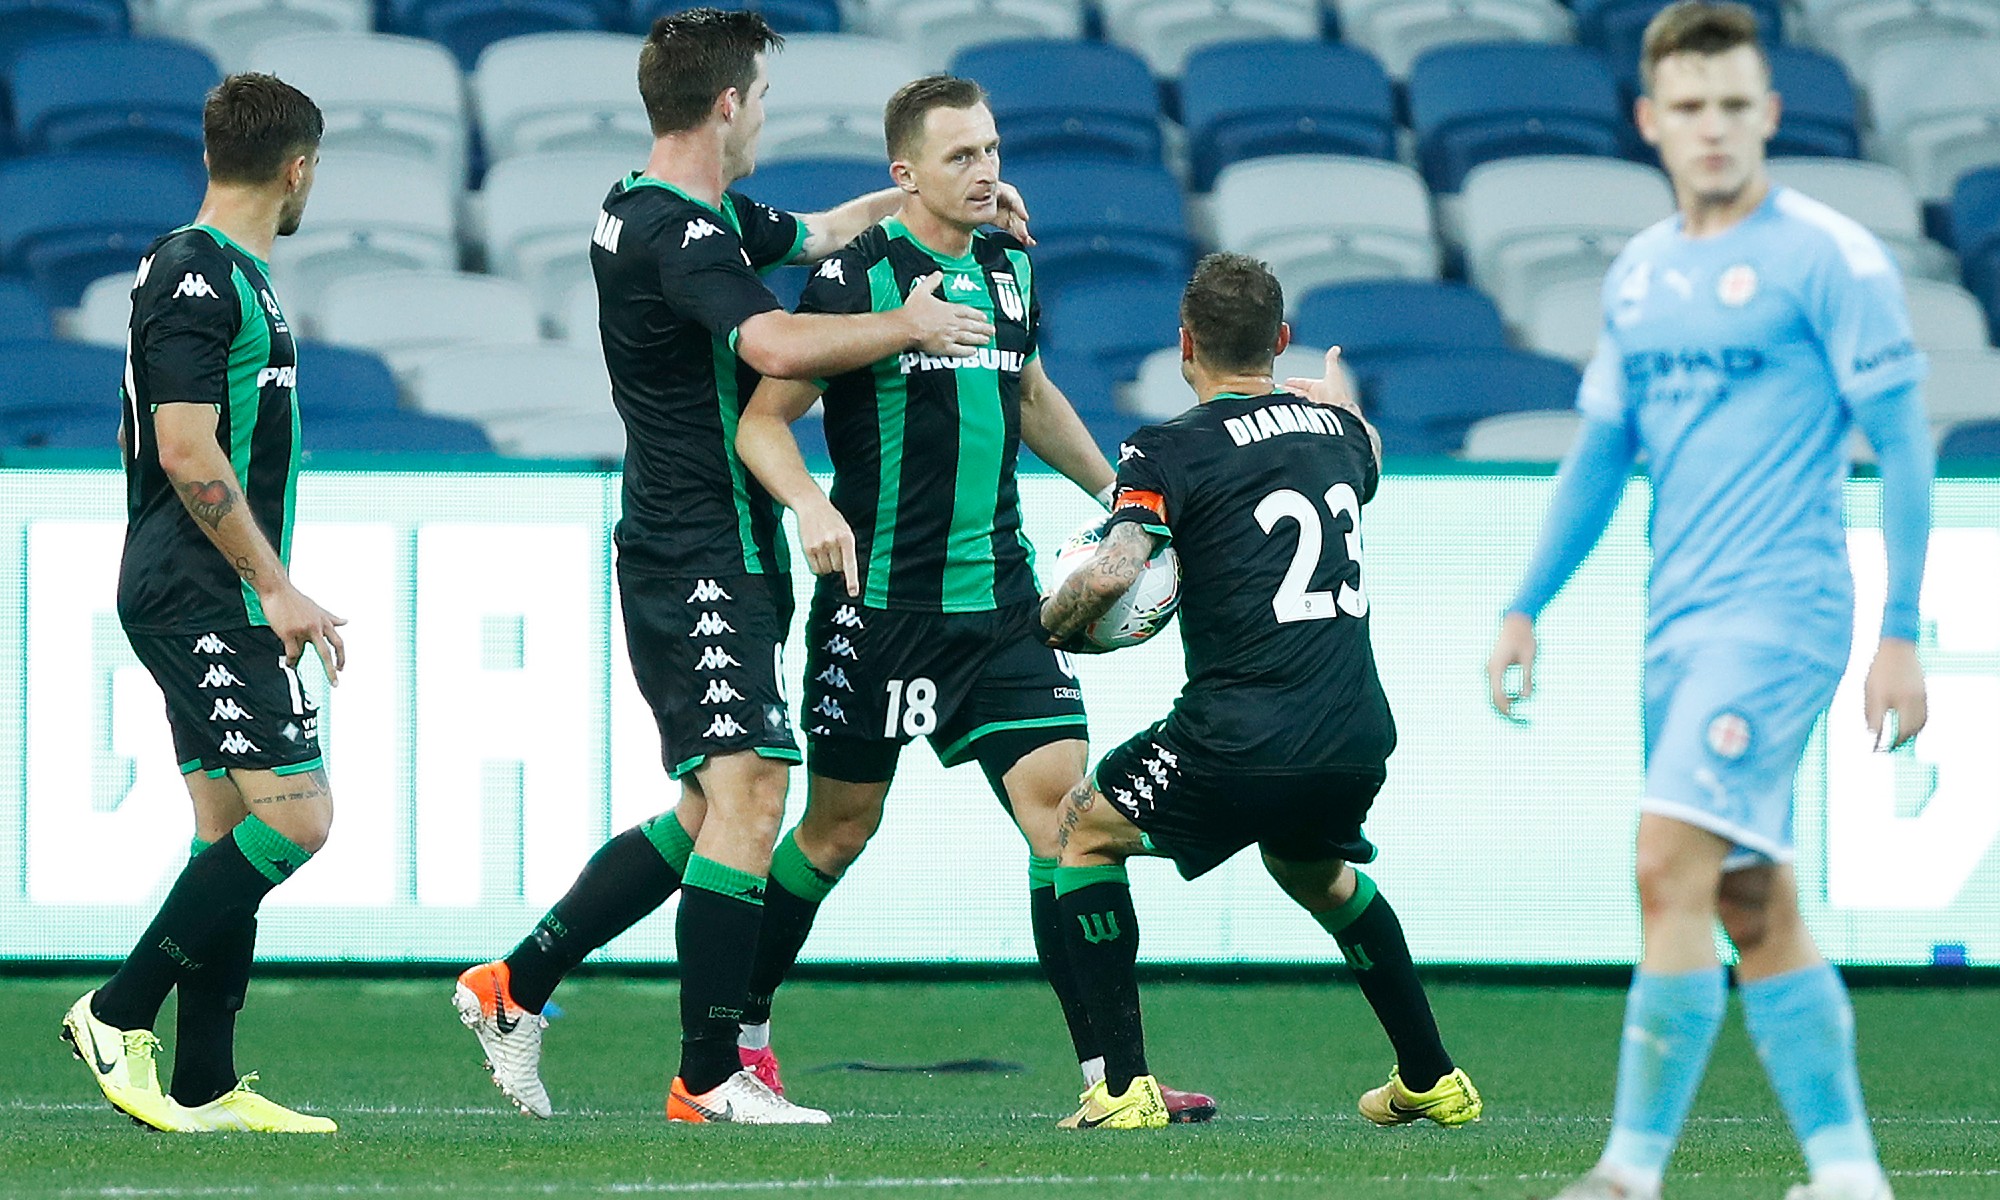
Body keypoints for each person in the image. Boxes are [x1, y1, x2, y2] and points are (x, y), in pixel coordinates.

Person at [452, 11, 1025, 1126]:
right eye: (760, 99)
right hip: (692, 548)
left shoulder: (683, 211)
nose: (764, 116)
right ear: (727, 104)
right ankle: (710, 1076)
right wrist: (905, 323)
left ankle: (513, 985)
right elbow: (770, 345)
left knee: (706, 807)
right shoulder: (677, 233)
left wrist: (948, 202)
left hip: (729, 542)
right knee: (755, 787)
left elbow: (822, 231)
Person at [1486, 5, 1932, 1198]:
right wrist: (1524, 604)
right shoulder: (1638, 274)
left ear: (1768, 114)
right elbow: (1599, 453)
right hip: (1675, 622)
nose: (1713, 128)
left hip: (1781, 613)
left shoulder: (1829, 258)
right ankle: (1847, 1173)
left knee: (1663, 865)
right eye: (1688, 107)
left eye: (1733, 105)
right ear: (1649, 121)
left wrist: (1899, 632)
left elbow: (1903, 444)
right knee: (1745, 897)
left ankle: (1627, 1173)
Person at [734, 75, 1215, 1122]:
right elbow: (762, 421)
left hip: (1003, 608)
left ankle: (1115, 1080)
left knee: (1069, 823)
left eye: (992, 150)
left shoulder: (1007, 266)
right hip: (879, 611)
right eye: (961, 156)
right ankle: (741, 1040)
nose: (987, 171)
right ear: (904, 173)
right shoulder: (856, 278)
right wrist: (810, 505)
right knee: (836, 832)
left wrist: (1122, 503)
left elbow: (1029, 393)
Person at [1036, 252, 1482, 1130]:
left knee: (1080, 833)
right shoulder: (1340, 434)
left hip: (1239, 734)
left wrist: (1051, 624)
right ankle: (1430, 1076)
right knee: (1313, 870)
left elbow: (1118, 568)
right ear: (1280, 340)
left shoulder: (1165, 447)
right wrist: (1342, 405)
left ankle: (1121, 1089)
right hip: (1354, 734)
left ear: (1184, 345)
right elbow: (1370, 458)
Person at [64, 73, 342, 1135]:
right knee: (296, 820)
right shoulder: (197, 271)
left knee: (225, 825)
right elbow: (182, 447)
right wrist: (272, 584)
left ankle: (204, 1082)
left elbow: (146, 434)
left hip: (195, 582)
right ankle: (115, 1010)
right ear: (298, 169)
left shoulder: (224, 272)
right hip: (203, 591)